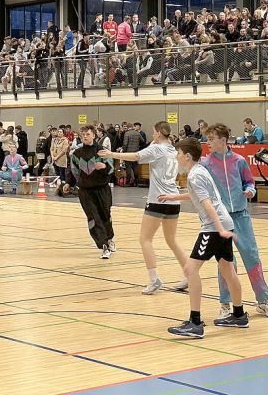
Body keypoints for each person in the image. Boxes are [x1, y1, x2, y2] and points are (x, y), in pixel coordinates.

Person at [160, 137, 247, 338]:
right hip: (223, 224)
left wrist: (219, 229)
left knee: (190, 269)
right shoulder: (200, 171)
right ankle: (239, 315)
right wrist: (174, 197)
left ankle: (195, 323)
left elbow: (207, 203)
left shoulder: (194, 176)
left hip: (213, 228)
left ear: (187, 156)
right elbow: (198, 196)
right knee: (227, 269)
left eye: (179, 153)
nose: (176, 156)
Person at [202, 123, 268, 320]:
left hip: (241, 216)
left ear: (223, 140)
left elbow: (249, 182)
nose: (208, 143)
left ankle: (263, 302)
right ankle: (226, 304)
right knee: (226, 263)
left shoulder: (239, 161)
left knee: (252, 257)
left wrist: (250, 191)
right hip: (221, 219)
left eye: (211, 139)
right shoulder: (205, 164)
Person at [100, 122, 188, 294]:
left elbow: (136, 156)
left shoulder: (157, 150)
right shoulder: (175, 151)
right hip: (173, 200)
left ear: (159, 133)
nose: (152, 135)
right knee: (172, 240)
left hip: (157, 200)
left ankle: (154, 279)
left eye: (154, 132)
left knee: (145, 239)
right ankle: (189, 274)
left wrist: (111, 154)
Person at [71, 126, 115, 258]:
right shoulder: (76, 154)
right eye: (83, 134)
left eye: (88, 134)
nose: (85, 136)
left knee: (105, 215)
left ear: (94, 136)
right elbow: (74, 172)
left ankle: (109, 238)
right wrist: (69, 183)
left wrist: (104, 167)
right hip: (85, 191)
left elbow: (111, 168)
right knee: (93, 218)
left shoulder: (102, 152)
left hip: (102, 189)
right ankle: (103, 245)